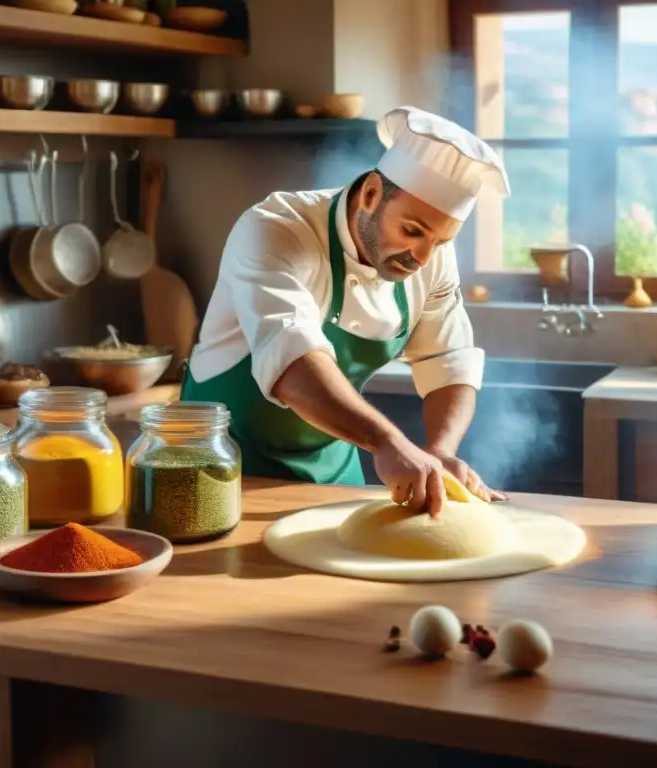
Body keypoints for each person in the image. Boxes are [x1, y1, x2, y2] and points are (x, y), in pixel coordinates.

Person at [181, 106, 510, 517]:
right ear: (371, 194)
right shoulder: (276, 228)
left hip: (331, 462)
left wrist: (440, 450)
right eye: (412, 231)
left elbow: (447, 359)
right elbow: (292, 360)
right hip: (221, 461)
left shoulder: (432, 256)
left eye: (441, 242)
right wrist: (389, 442)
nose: (424, 257)